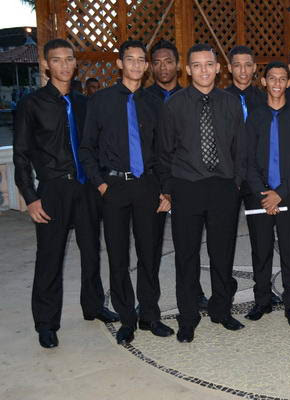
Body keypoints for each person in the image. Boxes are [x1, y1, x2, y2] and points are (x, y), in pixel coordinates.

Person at [13, 38, 118, 349]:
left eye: (69, 59)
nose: (64, 65)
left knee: (91, 251)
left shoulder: (84, 104)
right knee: (50, 257)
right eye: (57, 60)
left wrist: (101, 182)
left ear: (75, 63)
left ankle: (93, 306)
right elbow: (21, 155)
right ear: (47, 65)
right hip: (53, 189)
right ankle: (46, 323)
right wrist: (31, 197)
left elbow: (95, 147)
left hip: (86, 188)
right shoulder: (31, 104)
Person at [80, 40, 173, 345]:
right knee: (118, 257)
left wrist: (166, 190)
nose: (135, 64)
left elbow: (163, 152)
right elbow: (87, 148)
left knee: (150, 255)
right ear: (120, 64)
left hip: (148, 186)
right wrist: (101, 184)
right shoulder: (101, 101)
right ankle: (127, 319)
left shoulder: (155, 103)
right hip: (114, 187)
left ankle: (149, 315)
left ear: (146, 66)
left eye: (141, 60)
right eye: (129, 59)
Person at [158, 43, 246, 343]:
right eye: (197, 65)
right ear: (188, 69)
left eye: (209, 64)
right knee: (186, 256)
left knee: (222, 254)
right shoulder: (174, 105)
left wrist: (236, 183)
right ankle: (188, 318)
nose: (204, 70)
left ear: (218, 68)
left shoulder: (231, 103)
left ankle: (222, 311)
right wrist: (169, 189)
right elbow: (164, 151)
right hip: (187, 188)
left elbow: (240, 148)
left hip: (223, 188)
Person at [146, 39, 213, 310]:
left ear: (178, 66)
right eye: (157, 62)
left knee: (188, 245)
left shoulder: (193, 98)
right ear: (151, 66)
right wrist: (164, 187)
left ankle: (193, 293)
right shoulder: (143, 99)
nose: (163, 67)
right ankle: (148, 302)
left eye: (169, 61)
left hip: (187, 184)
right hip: (152, 182)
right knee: (150, 246)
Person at [244, 61, 290, 325]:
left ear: (289, 83)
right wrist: (264, 193)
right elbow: (247, 159)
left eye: (282, 79)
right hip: (259, 196)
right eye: (272, 78)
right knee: (260, 251)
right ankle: (262, 301)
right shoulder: (255, 116)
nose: (277, 83)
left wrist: (279, 193)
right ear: (264, 82)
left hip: (289, 195)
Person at [224, 45, 284, 306]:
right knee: (223, 240)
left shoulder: (264, 99)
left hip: (256, 180)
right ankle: (224, 290)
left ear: (254, 69)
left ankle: (263, 293)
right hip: (227, 180)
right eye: (237, 65)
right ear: (229, 68)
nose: (243, 70)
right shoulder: (220, 99)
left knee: (262, 241)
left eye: (248, 65)